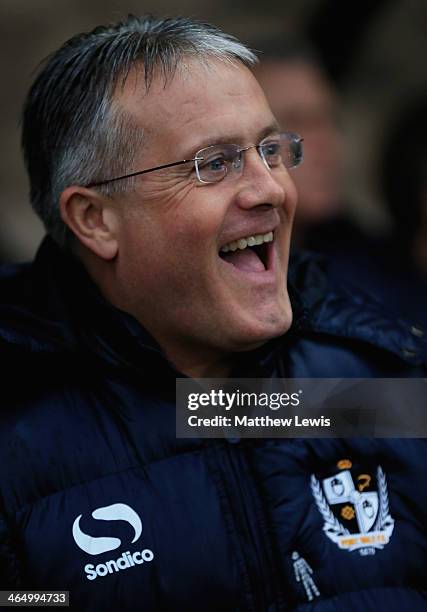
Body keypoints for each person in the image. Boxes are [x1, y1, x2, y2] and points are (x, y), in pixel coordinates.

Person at [0, 15, 425, 611]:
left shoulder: (374, 381)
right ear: (95, 219)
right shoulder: (18, 435)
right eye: (214, 164)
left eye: (271, 150)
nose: (271, 189)